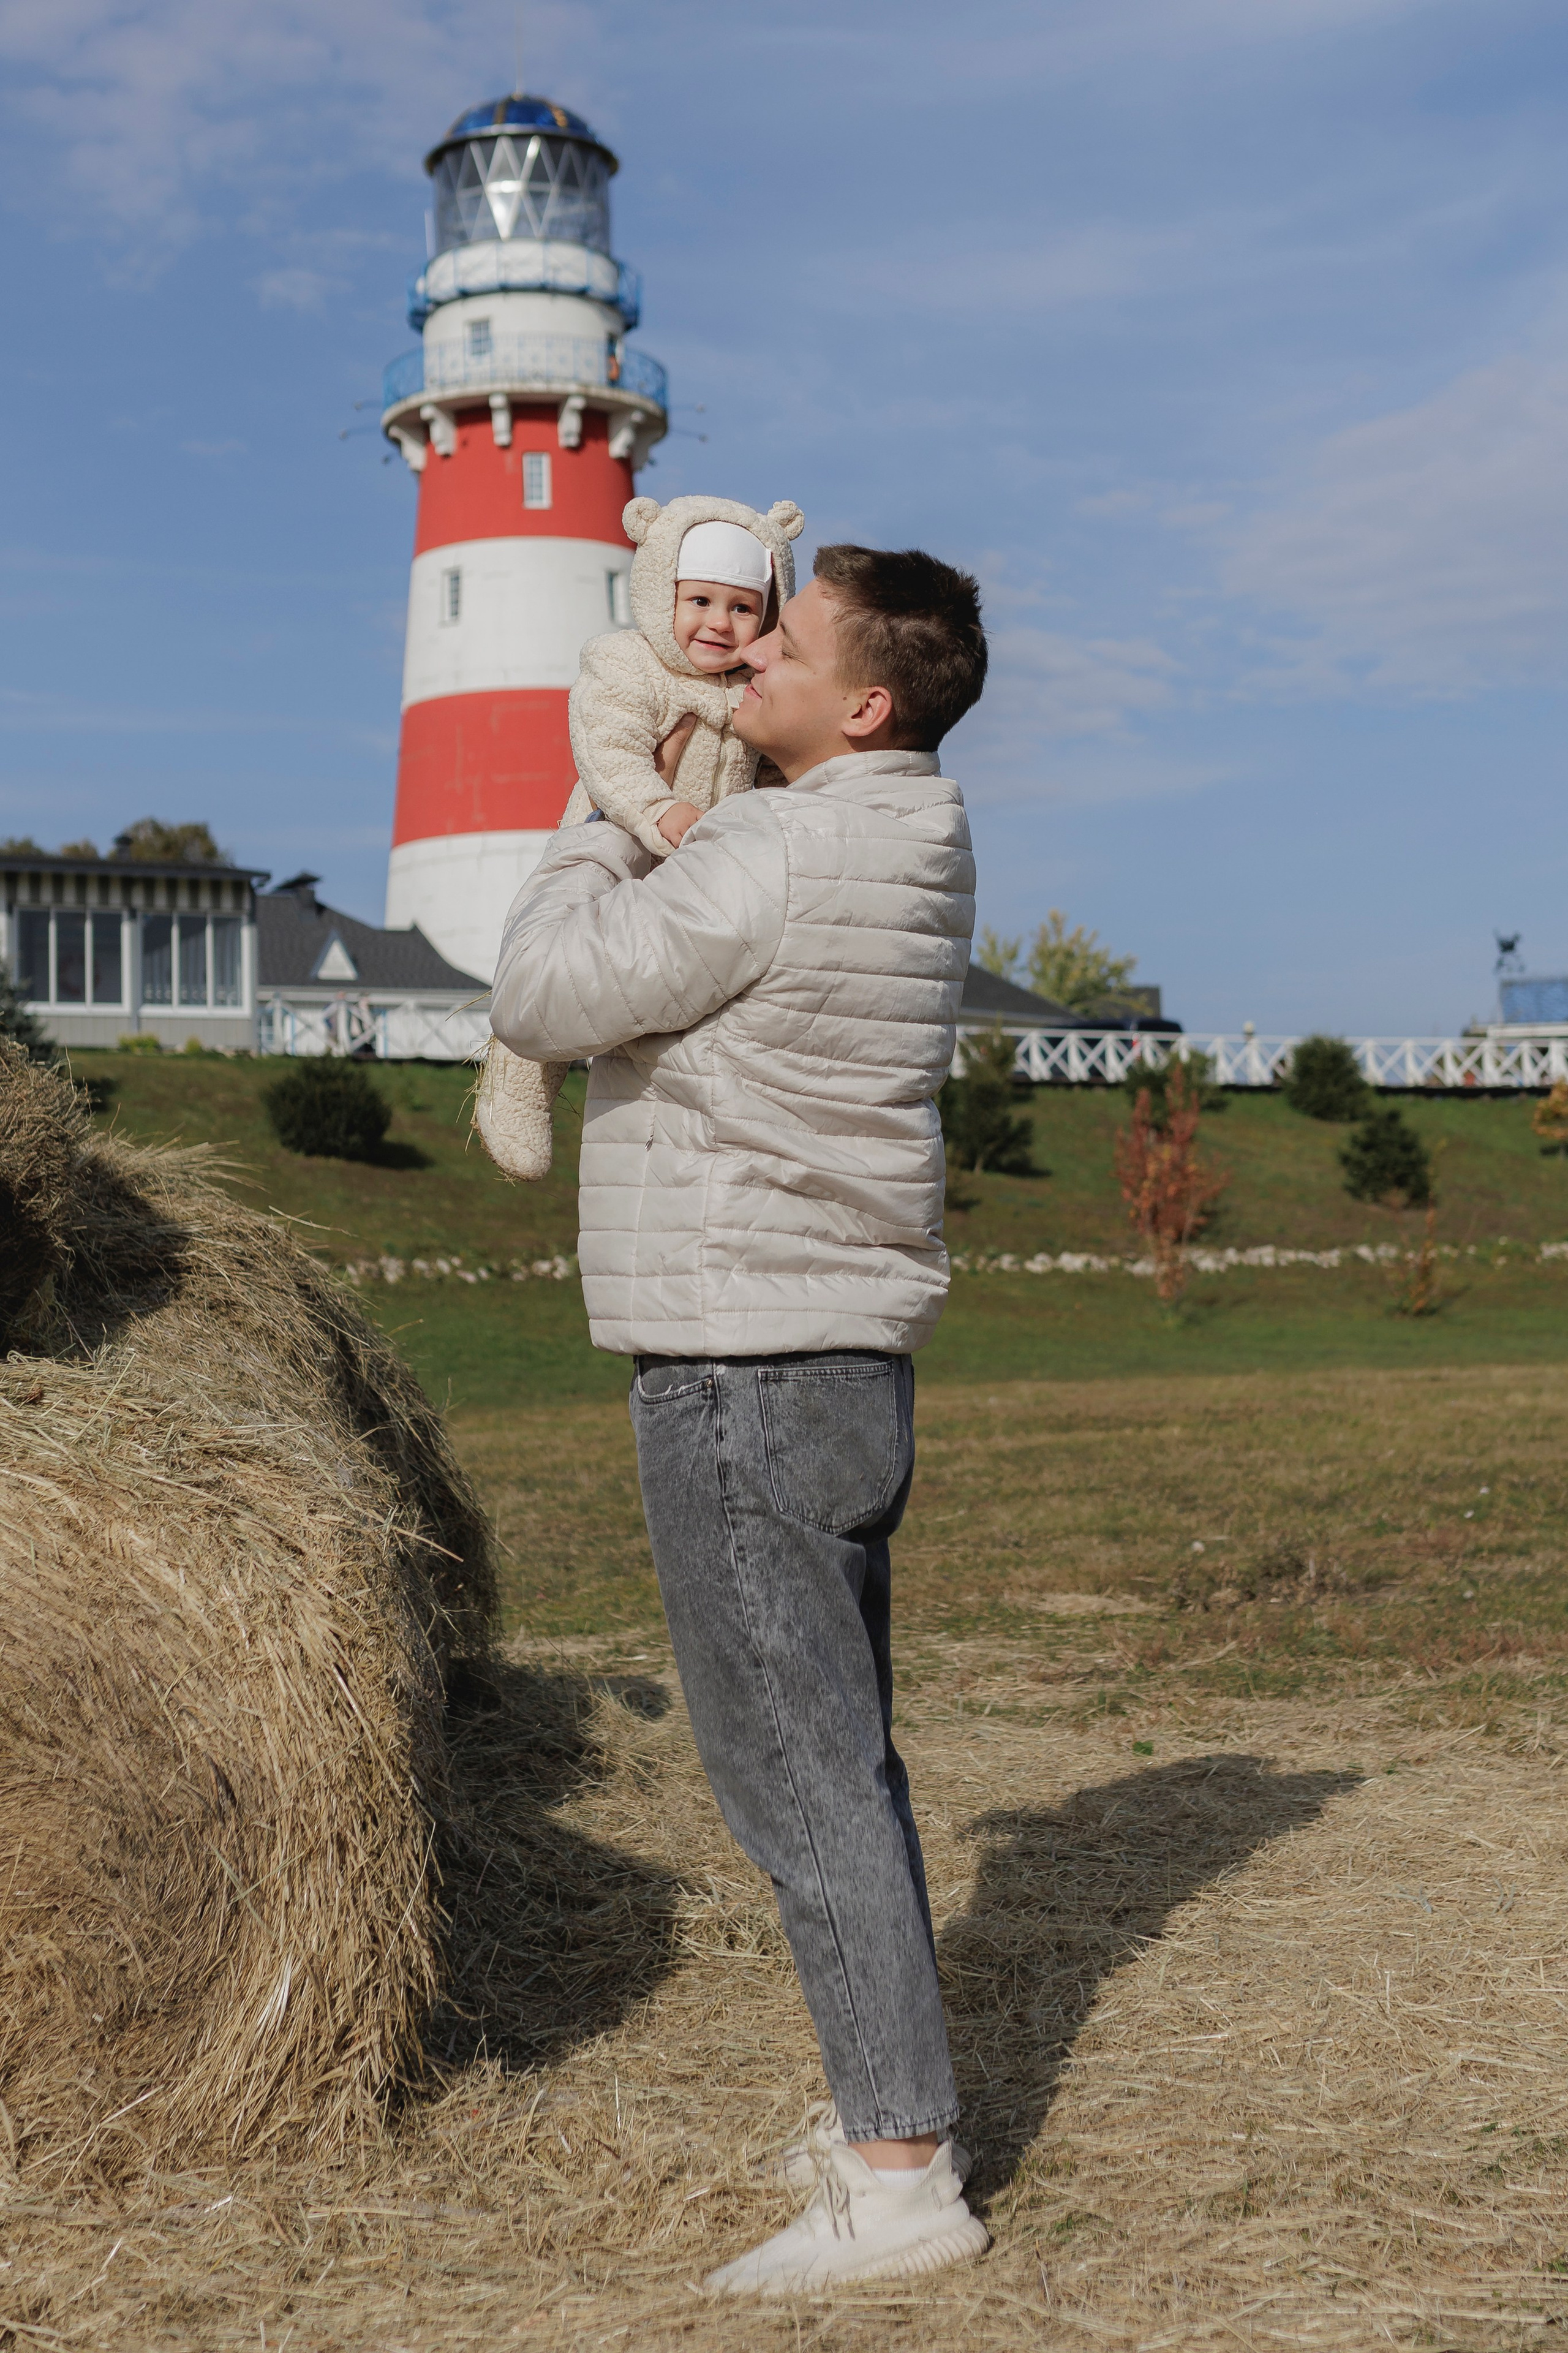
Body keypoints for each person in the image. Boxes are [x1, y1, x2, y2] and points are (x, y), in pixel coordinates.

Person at [489, 542, 987, 2295]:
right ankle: (897, 2103)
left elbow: (542, 993)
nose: (741, 650)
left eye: (784, 638)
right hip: (839, 1349)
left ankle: (900, 2181)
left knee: (793, 1772)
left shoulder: (782, 843)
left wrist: (593, 816)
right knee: (844, 1752)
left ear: (866, 700)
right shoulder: (919, 832)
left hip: (738, 1356)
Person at [473, 492, 803, 1182]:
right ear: (663, 592)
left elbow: (773, 769)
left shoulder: (756, 690)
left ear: (769, 616)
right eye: (700, 601)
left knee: (646, 993)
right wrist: (659, 808)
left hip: (705, 868)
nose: (719, 623)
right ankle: (523, 1062)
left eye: (742, 608)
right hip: (624, 838)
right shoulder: (626, 662)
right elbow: (608, 750)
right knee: (576, 961)